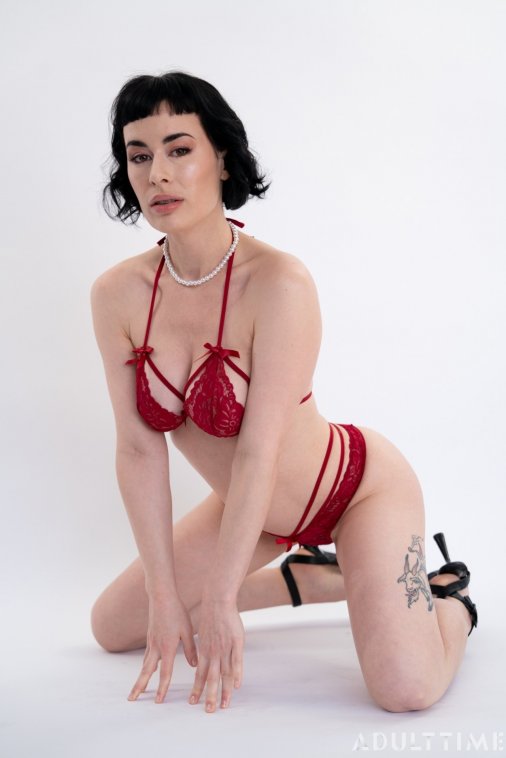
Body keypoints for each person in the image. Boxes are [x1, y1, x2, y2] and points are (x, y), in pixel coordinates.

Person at [90, 71, 477, 714]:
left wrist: (220, 601)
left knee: (406, 691)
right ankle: (313, 578)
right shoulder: (117, 295)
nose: (157, 173)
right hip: (254, 513)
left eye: (180, 149)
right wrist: (164, 593)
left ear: (222, 158)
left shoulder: (279, 283)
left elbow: (258, 452)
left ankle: (451, 600)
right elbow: (137, 450)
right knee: (113, 627)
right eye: (139, 155)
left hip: (355, 492)